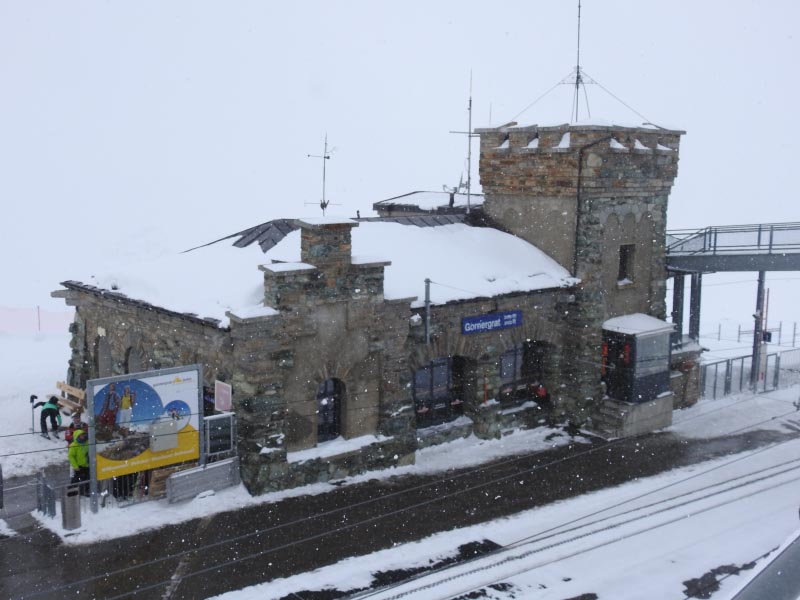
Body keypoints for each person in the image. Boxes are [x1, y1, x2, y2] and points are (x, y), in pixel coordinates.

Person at [68, 428, 90, 496]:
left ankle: (86, 491)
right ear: (77, 436)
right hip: (79, 466)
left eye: (83, 435)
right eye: (81, 435)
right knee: (75, 480)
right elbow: (71, 457)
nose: (83, 436)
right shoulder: (73, 445)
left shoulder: (87, 442)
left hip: (87, 465)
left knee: (87, 479)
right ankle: (71, 493)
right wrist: (75, 466)